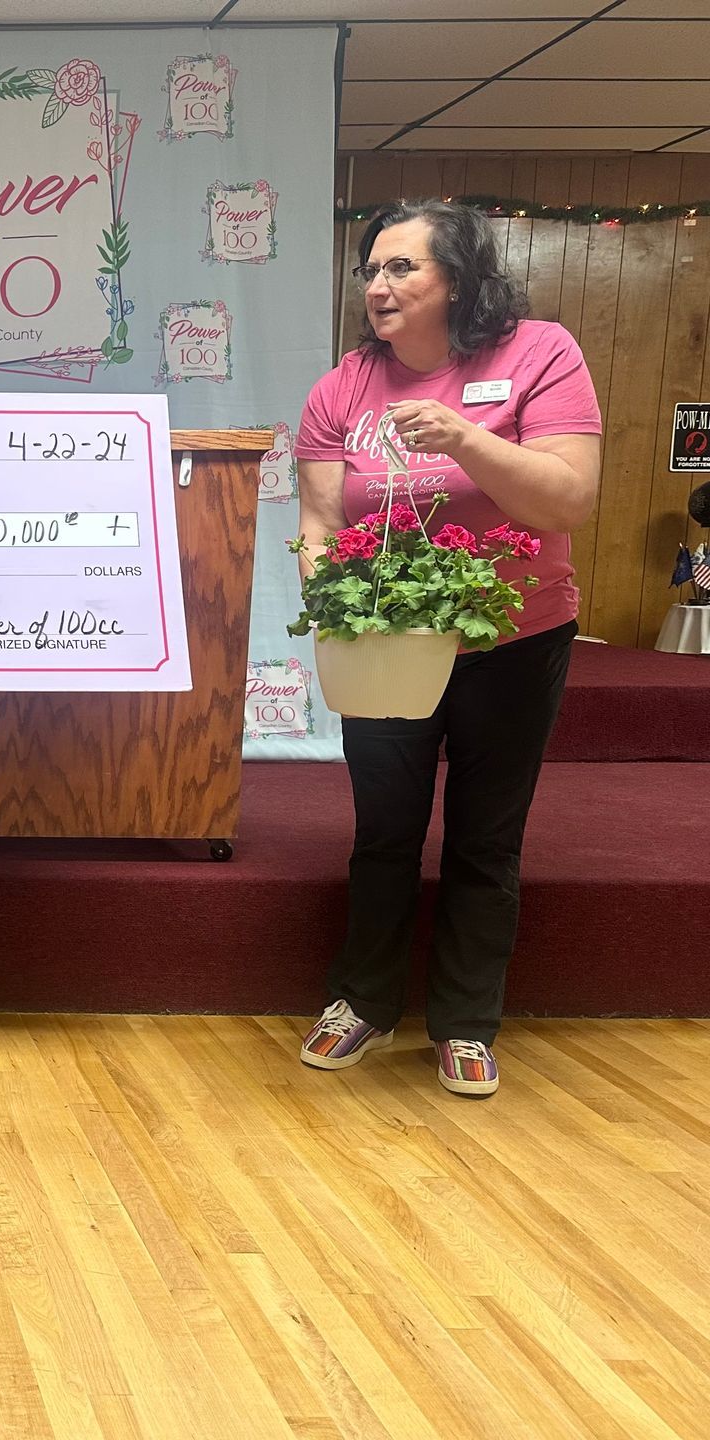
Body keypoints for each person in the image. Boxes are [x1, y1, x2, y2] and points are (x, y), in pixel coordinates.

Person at [294, 198, 602, 1097]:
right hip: (386, 647)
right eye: (370, 271)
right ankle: (363, 1002)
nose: (378, 287)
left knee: (485, 839)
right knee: (383, 831)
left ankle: (465, 1022)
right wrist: (334, 608)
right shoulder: (341, 387)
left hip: (515, 638)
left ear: (457, 281)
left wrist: (468, 439)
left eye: (400, 269)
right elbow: (319, 519)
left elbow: (566, 502)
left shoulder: (538, 354)